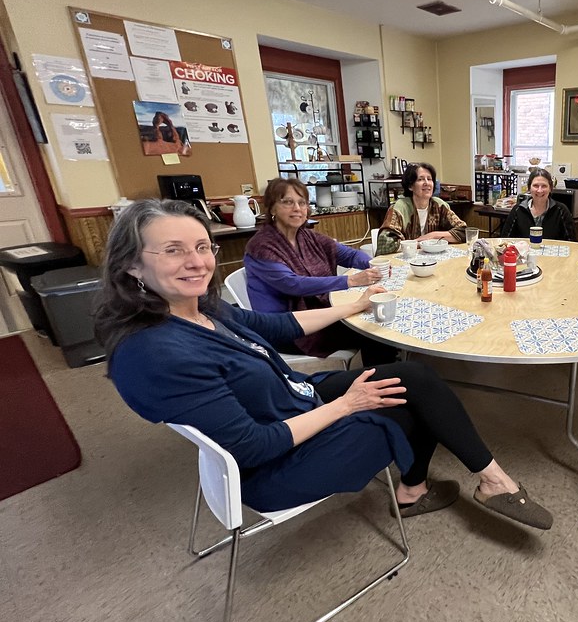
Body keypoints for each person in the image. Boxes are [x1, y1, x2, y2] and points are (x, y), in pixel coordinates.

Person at [93, 199, 553, 529]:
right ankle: (417, 490)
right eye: (173, 250)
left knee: (414, 376)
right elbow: (252, 447)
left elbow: (275, 324)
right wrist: (347, 404)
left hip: (293, 400)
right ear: (132, 265)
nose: (196, 262)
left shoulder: (200, 309)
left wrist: (355, 304)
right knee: (405, 405)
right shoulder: (153, 353)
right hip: (275, 465)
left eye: (202, 247)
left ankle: (487, 480)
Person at [243, 178, 396, 366]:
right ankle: (381, 378)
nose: (297, 208)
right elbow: (294, 284)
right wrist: (351, 281)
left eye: (302, 203)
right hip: (285, 328)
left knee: (376, 319)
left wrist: (372, 264)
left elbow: (347, 254)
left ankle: (391, 370)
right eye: (288, 202)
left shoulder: (307, 236)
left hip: (317, 313)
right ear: (272, 208)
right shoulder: (261, 246)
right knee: (372, 330)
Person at [376, 163, 466, 255]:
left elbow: (463, 232)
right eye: (420, 179)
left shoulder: (439, 205)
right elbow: (385, 245)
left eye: (429, 179)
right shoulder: (400, 208)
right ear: (410, 186)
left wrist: (433, 236)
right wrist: (420, 244)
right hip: (405, 258)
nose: (427, 183)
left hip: (434, 258)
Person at [500, 169, 575, 241]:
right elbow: (505, 240)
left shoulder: (561, 211)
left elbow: (572, 242)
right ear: (529, 188)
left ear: (550, 188)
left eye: (544, 186)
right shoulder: (518, 210)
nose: (539, 190)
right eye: (535, 186)